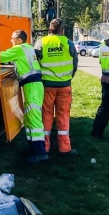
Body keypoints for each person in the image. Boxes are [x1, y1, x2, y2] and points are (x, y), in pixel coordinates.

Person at [0, 29, 47, 163]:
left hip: (32, 86)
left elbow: (1, 56)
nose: (11, 41)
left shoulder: (19, 49)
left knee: (33, 118)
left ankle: (39, 152)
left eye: (12, 39)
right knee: (31, 117)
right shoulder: (28, 48)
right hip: (34, 85)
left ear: (19, 40)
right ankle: (34, 149)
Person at [34, 18, 78, 156]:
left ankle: (45, 147)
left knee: (46, 115)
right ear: (62, 30)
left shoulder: (41, 43)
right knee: (63, 115)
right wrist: (68, 78)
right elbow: (75, 64)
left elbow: (34, 63)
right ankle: (64, 148)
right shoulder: (68, 43)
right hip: (65, 85)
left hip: (46, 85)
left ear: (50, 29)